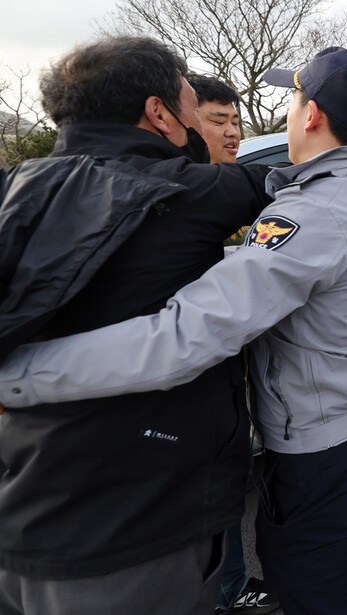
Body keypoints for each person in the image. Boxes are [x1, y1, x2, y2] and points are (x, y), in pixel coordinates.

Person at [0, 46, 347, 614]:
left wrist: (15, 374)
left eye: (293, 97)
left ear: (310, 117)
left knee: (318, 589)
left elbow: (183, 338)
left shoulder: (311, 214)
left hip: (324, 440)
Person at [0, 37, 274, 615]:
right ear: (159, 113)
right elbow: (290, 188)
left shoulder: (16, 187)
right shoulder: (194, 190)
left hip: (26, 503)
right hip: (140, 527)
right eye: (195, 105)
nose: (204, 121)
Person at [184, 72, 280, 615]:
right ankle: (223, 591)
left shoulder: (221, 185)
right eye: (217, 121)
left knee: (227, 477)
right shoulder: (183, 188)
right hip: (180, 379)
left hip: (219, 373)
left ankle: (231, 585)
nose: (232, 133)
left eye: (237, 122)